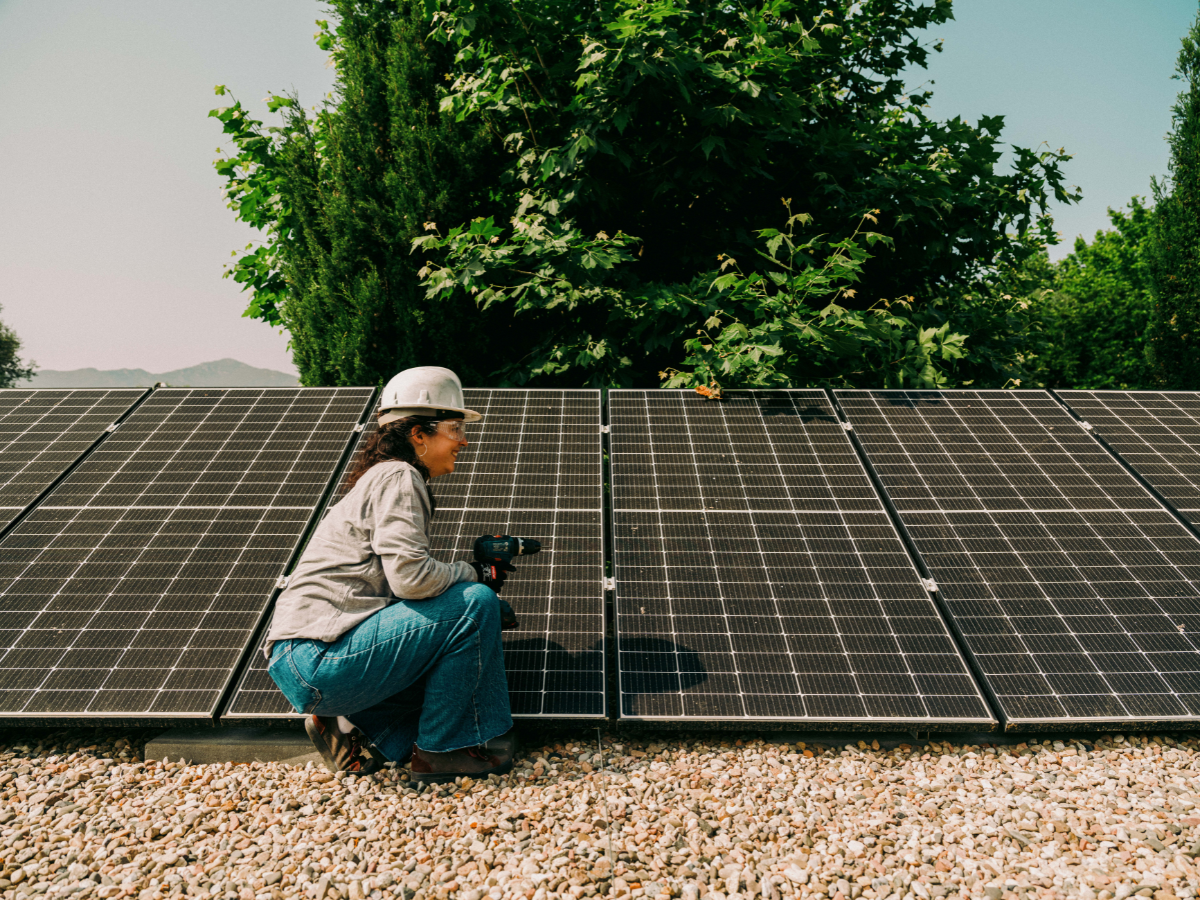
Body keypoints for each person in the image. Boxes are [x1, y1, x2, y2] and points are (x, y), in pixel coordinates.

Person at [264, 366, 516, 782]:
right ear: (419, 434)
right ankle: (441, 754)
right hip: (322, 656)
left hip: (300, 660)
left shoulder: (379, 479)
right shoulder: (400, 475)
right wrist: (471, 575)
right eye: (454, 428)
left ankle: (349, 725)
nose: (463, 440)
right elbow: (412, 580)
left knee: (424, 709)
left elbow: (404, 593)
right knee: (476, 606)